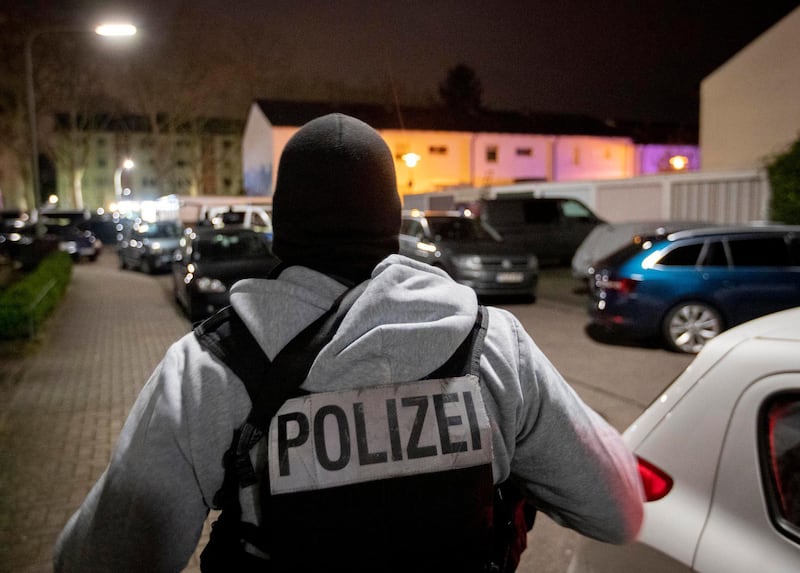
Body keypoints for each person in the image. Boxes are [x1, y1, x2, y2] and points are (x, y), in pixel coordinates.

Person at [54, 113, 643, 572]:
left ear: (281, 227)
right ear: (393, 221)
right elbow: (620, 507)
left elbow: (99, 560)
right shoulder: (492, 348)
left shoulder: (213, 368)